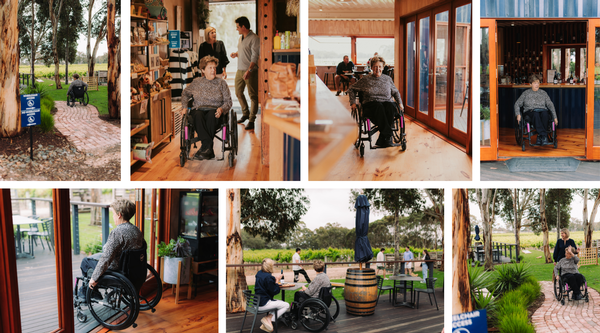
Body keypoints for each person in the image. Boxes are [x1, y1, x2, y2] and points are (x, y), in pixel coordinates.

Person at [79, 199, 144, 293]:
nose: (113, 217)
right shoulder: (136, 230)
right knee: (96, 257)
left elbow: (106, 258)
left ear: (119, 215)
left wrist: (94, 278)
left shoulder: (117, 232)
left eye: (113, 214)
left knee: (85, 262)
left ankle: (91, 292)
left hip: (117, 268)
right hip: (132, 268)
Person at [181, 55, 233, 160]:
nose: (213, 70)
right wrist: (185, 107)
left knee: (211, 115)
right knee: (197, 115)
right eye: (210, 68)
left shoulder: (221, 83)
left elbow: (228, 101)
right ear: (203, 70)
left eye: (214, 67)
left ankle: (205, 148)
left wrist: (222, 109)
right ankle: (208, 148)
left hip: (215, 111)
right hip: (198, 110)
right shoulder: (196, 82)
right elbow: (185, 94)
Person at [348, 55, 404, 147]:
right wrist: (353, 102)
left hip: (386, 104)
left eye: (380, 67)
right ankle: (387, 136)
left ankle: (384, 137)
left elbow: (396, 92)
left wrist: (400, 103)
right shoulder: (365, 79)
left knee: (391, 106)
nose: (377, 69)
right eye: (375, 66)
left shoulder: (387, 79)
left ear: (383, 67)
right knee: (379, 106)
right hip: (371, 105)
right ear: (371, 67)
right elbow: (351, 89)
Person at [230, 16, 259, 130]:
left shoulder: (255, 38)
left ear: (243, 26)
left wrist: (249, 70)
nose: (236, 29)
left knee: (253, 96)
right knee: (238, 92)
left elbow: (254, 56)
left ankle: (251, 120)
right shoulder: (241, 38)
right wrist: (236, 54)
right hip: (239, 70)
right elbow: (244, 50)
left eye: (238, 27)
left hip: (250, 71)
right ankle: (245, 113)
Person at [514, 73, 558, 145]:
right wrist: (518, 114)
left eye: (538, 83)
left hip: (542, 110)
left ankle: (540, 136)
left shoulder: (543, 93)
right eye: (535, 83)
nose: (537, 85)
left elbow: (550, 104)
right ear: (530, 84)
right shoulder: (526, 93)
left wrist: (555, 117)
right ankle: (544, 136)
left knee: (545, 114)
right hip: (530, 111)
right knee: (535, 114)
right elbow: (517, 104)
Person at [255, 258, 290, 332]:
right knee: (286, 305)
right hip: (263, 303)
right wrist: (277, 281)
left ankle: (268, 319)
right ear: (270, 266)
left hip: (256, 303)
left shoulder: (259, 273)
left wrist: (274, 279)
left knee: (279, 303)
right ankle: (269, 319)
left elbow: (266, 284)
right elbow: (275, 291)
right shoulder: (268, 277)